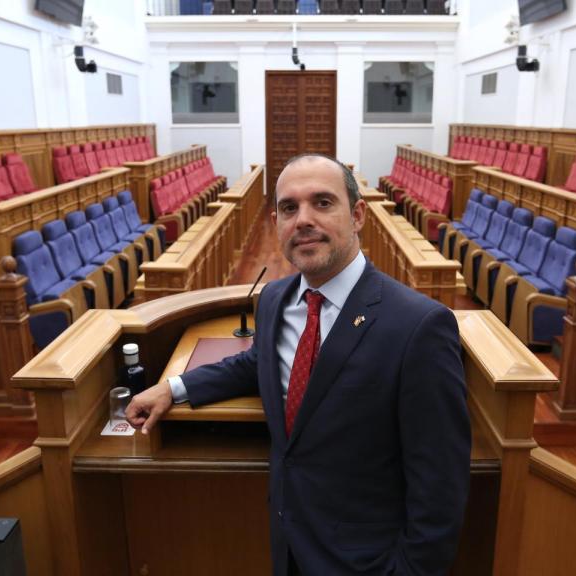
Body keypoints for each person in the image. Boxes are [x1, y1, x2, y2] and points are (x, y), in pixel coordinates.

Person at [126, 153, 470, 576]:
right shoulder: (276, 299)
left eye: (322, 203)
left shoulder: (419, 326)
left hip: (368, 559)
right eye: (289, 208)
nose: (303, 219)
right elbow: (259, 364)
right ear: (276, 223)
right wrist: (174, 388)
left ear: (358, 215)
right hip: (288, 540)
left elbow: (439, 485)